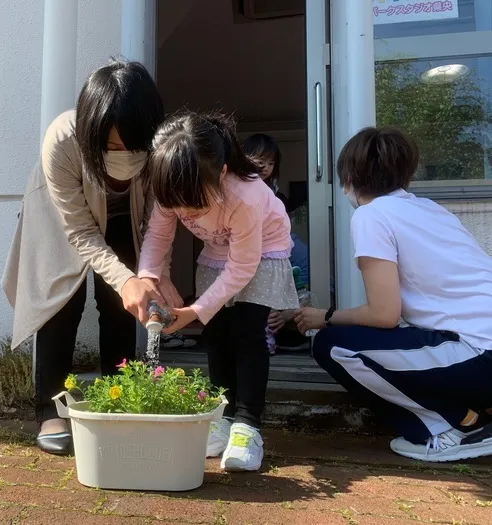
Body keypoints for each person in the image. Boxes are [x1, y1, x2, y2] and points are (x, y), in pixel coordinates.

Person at [1, 60, 181, 456]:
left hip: (123, 212)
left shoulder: (159, 144)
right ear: (91, 134)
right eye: (113, 148)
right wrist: (127, 277)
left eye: (135, 149)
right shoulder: (62, 140)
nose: (125, 157)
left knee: (123, 302)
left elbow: (158, 219)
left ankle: (115, 396)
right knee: (61, 301)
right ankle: (50, 407)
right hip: (61, 216)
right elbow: (80, 231)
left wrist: (154, 274)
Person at [296, 127, 492, 462]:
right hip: (478, 346)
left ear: (349, 178)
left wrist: (325, 317)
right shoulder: (432, 210)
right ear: (406, 173)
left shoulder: (372, 215)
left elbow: (384, 314)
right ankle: (472, 415)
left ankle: (451, 430)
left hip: (479, 356)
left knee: (333, 345)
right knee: (400, 338)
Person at [135, 112, 298, 471]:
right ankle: (223, 417)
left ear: (222, 172)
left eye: (194, 203)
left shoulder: (246, 195)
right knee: (218, 334)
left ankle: (248, 425)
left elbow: (243, 265)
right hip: (218, 251)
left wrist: (193, 311)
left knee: (248, 333)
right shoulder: (172, 186)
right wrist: (151, 278)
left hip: (263, 251)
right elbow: (159, 236)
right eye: (176, 204)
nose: (184, 211)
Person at [243, 133, 310, 352]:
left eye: (271, 163)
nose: (265, 167)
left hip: (275, 253)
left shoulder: (277, 196)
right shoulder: (237, 191)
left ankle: (275, 336)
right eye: (260, 160)